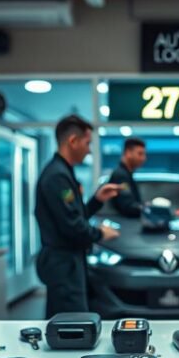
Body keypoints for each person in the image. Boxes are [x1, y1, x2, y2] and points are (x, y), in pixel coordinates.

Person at [35, 115, 120, 317]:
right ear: (73, 141)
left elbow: (73, 215)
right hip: (63, 263)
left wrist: (97, 200)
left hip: (68, 262)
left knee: (67, 321)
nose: (89, 149)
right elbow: (72, 226)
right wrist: (100, 234)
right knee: (72, 323)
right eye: (87, 143)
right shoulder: (57, 176)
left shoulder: (64, 172)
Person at [108, 137, 147, 217]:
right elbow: (128, 206)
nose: (143, 158)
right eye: (140, 154)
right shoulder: (121, 176)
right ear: (128, 153)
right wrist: (147, 209)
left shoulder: (126, 174)